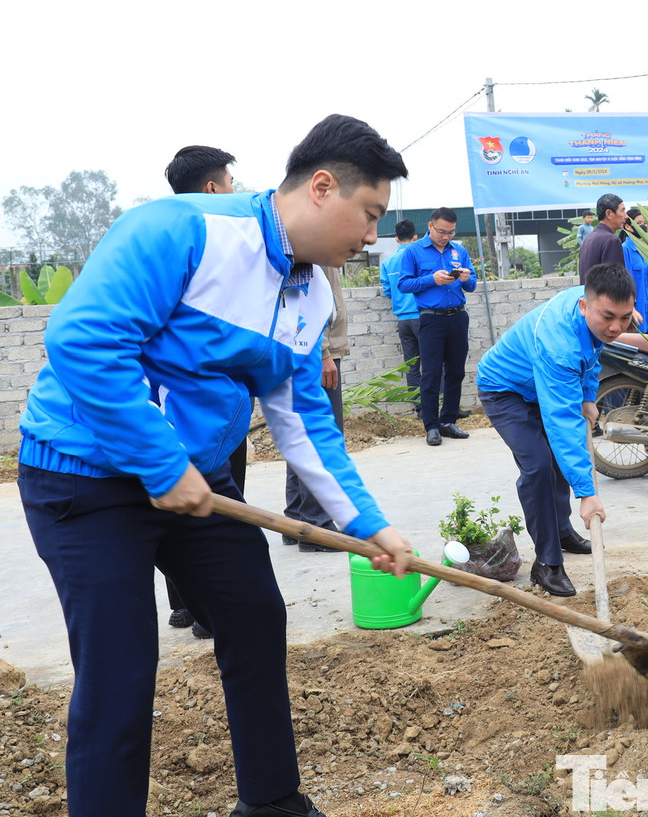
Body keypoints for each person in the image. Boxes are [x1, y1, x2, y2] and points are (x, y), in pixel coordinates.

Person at [19, 114, 414, 817]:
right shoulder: (182, 232)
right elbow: (81, 342)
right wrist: (161, 462)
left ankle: (272, 801)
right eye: (370, 214)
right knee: (121, 670)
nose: (370, 237)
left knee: (256, 615)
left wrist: (369, 524)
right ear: (323, 186)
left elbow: (304, 422)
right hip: (84, 474)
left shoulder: (312, 292)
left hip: (194, 479)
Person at [475, 264, 634, 596]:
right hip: (505, 390)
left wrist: (589, 397)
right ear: (584, 306)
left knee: (559, 462)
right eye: (608, 317)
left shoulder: (595, 313)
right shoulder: (558, 344)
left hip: (541, 384)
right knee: (538, 465)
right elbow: (563, 424)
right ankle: (547, 564)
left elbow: (591, 356)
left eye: (625, 318)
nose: (616, 327)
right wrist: (587, 493)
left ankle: (561, 531)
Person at [162, 144, 244, 638]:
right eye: (232, 182)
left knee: (182, 504)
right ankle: (201, 601)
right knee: (203, 499)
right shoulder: (212, 245)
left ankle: (187, 604)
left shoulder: (165, 235)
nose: (237, 190)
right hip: (195, 409)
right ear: (213, 188)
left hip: (182, 406)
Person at [282, 263, 350, 551]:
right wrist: (322, 353)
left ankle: (296, 520)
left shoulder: (320, 244)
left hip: (312, 351)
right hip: (315, 353)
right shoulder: (313, 246)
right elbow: (301, 302)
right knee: (320, 436)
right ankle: (316, 525)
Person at [396, 207, 477, 446]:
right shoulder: (413, 251)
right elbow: (403, 284)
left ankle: (448, 420)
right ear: (430, 226)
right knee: (430, 373)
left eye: (451, 232)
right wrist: (432, 279)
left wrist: (465, 278)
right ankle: (431, 426)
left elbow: (472, 284)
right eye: (442, 231)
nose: (446, 236)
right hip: (431, 319)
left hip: (458, 317)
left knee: (456, 371)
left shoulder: (459, 250)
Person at [378, 219, 422, 418]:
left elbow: (388, 290)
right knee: (433, 363)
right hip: (423, 317)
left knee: (411, 365)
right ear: (416, 237)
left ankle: (419, 408)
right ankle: (436, 404)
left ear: (396, 239)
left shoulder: (388, 262)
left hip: (403, 321)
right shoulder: (419, 258)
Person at [621, 205, 648, 332]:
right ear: (628, 227)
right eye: (639, 223)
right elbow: (625, 283)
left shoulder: (645, 249)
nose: (643, 226)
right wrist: (631, 310)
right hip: (636, 312)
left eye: (645, 223)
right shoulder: (625, 249)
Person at [578, 192, 625, 282]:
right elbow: (615, 282)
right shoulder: (612, 240)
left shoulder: (589, 238)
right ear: (609, 214)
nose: (625, 216)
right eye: (622, 210)